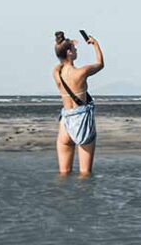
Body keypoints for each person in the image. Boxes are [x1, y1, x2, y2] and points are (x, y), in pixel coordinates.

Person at [53, 30, 105, 176]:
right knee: (85, 174)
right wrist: (95, 44)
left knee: (63, 174)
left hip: (65, 123)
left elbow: (60, 63)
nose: (76, 51)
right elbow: (100, 64)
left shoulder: (56, 73)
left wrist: (64, 46)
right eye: (74, 49)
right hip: (81, 121)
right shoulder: (81, 72)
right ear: (69, 52)